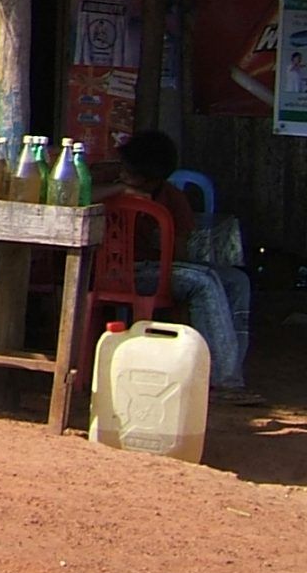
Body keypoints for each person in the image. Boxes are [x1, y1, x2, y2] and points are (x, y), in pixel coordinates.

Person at [106, 129, 253, 397]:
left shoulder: (172, 198)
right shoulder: (107, 181)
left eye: (132, 174)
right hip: (117, 272)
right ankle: (226, 381)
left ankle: (228, 367)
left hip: (156, 270)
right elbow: (77, 196)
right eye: (124, 170)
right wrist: (119, 189)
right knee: (205, 282)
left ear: (153, 180)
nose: (125, 175)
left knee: (236, 281)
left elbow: (180, 255)